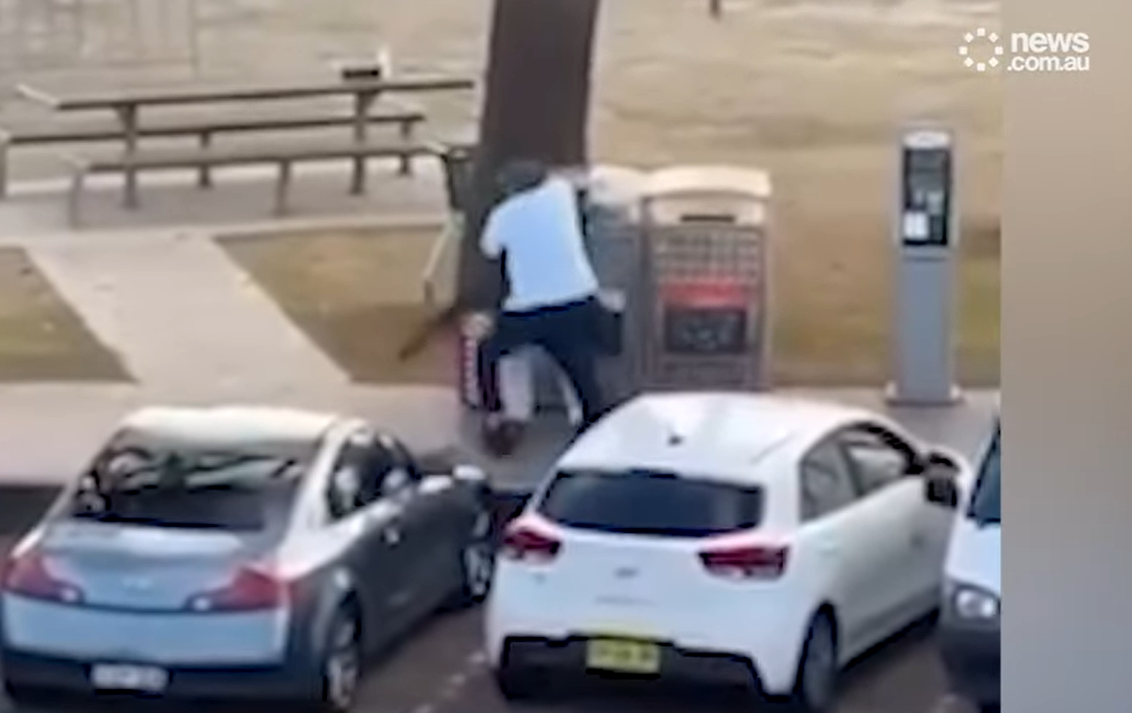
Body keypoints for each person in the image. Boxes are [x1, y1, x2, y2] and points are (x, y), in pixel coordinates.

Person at [475, 158, 607, 455]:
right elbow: (574, 177)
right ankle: (590, 423)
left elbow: (489, 249)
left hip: (528, 309)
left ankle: (497, 415)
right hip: (578, 299)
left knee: (489, 353)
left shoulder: (504, 215)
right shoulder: (560, 194)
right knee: (579, 367)